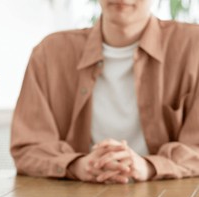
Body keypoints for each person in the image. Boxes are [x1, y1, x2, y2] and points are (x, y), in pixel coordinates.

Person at [10, 0, 199, 184]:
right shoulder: (50, 53)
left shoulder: (193, 47)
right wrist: (78, 165)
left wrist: (149, 166)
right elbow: (28, 148)